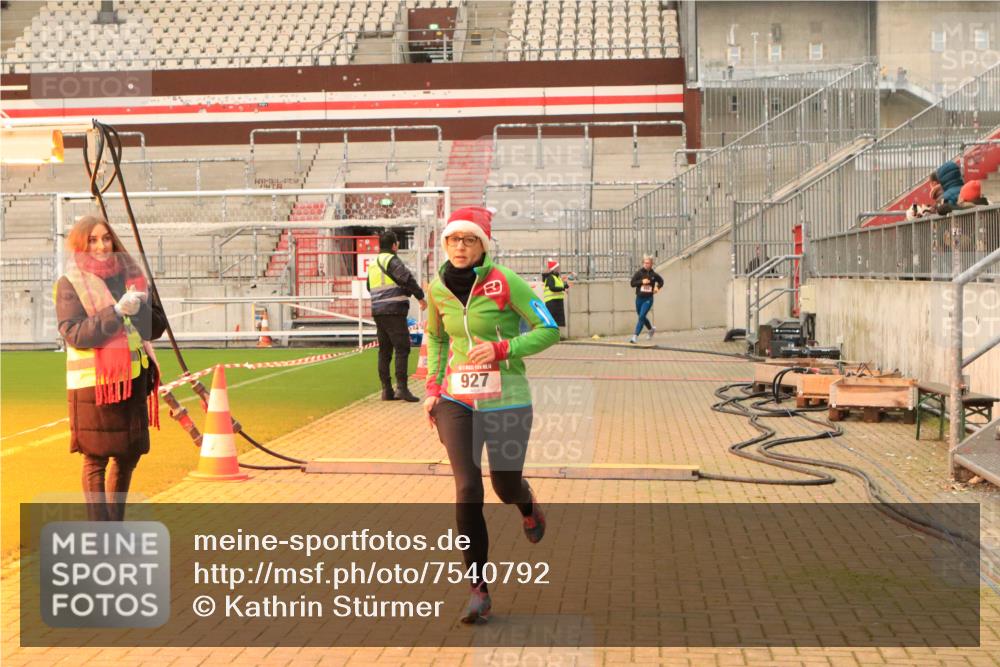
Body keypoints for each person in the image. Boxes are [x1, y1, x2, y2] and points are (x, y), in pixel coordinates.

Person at [422, 206, 559, 624]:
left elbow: (548, 328)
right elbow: (436, 336)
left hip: (507, 398)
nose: (460, 247)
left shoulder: (506, 282)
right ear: (444, 244)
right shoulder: (437, 288)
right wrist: (431, 388)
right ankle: (478, 589)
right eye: (453, 240)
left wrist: (504, 349)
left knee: (503, 484)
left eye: (468, 240)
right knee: (467, 488)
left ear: (483, 244)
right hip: (456, 399)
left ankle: (527, 503)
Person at [55, 215, 167, 522]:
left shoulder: (132, 275)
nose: (102, 245)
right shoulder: (71, 282)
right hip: (93, 385)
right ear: (81, 244)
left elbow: (156, 326)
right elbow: (74, 332)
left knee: (128, 453)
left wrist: (139, 309)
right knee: (95, 458)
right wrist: (116, 312)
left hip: (132, 381)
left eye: (106, 238)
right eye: (92, 240)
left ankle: (114, 525)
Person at [367, 230, 427, 402]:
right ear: (394, 245)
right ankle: (402, 388)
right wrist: (420, 296)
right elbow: (406, 278)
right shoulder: (391, 260)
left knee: (384, 351)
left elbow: (369, 287)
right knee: (402, 348)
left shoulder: (373, 263)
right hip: (394, 310)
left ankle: (386, 390)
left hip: (378, 311)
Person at [628, 254, 664, 344]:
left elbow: (661, 281)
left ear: (651, 264)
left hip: (648, 299)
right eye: (645, 263)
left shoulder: (654, 274)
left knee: (641, 316)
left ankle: (635, 336)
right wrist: (641, 282)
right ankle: (651, 329)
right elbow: (632, 283)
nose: (646, 264)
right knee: (641, 316)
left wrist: (657, 288)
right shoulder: (639, 273)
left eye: (648, 263)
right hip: (639, 298)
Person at [541, 258, 570, 338]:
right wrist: (563, 287)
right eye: (557, 268)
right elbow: (552, 288)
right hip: (552, 303)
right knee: (552, 321)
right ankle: (550, 337)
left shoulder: (557, 278)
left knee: (557, 322)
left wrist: (564, 286)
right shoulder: (551, 277)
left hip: (558, 302)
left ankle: (556, 337)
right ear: (554, 269)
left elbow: (560, 286)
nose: (559, 269)